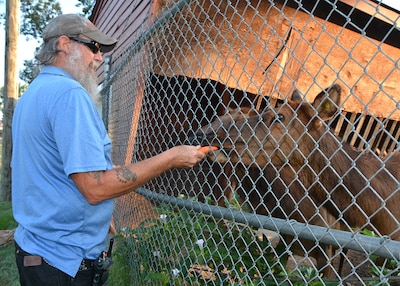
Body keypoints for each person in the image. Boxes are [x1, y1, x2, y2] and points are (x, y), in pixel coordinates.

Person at [11, 14, 207, 286]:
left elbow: (50, 172)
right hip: (63, 263)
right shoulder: (70, 95)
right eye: (93, 47)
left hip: (36, 251)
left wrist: (97, 216)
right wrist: (171, 157)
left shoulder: (32, 94)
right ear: (65, 44)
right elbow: (95, 189)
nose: (99, 58)